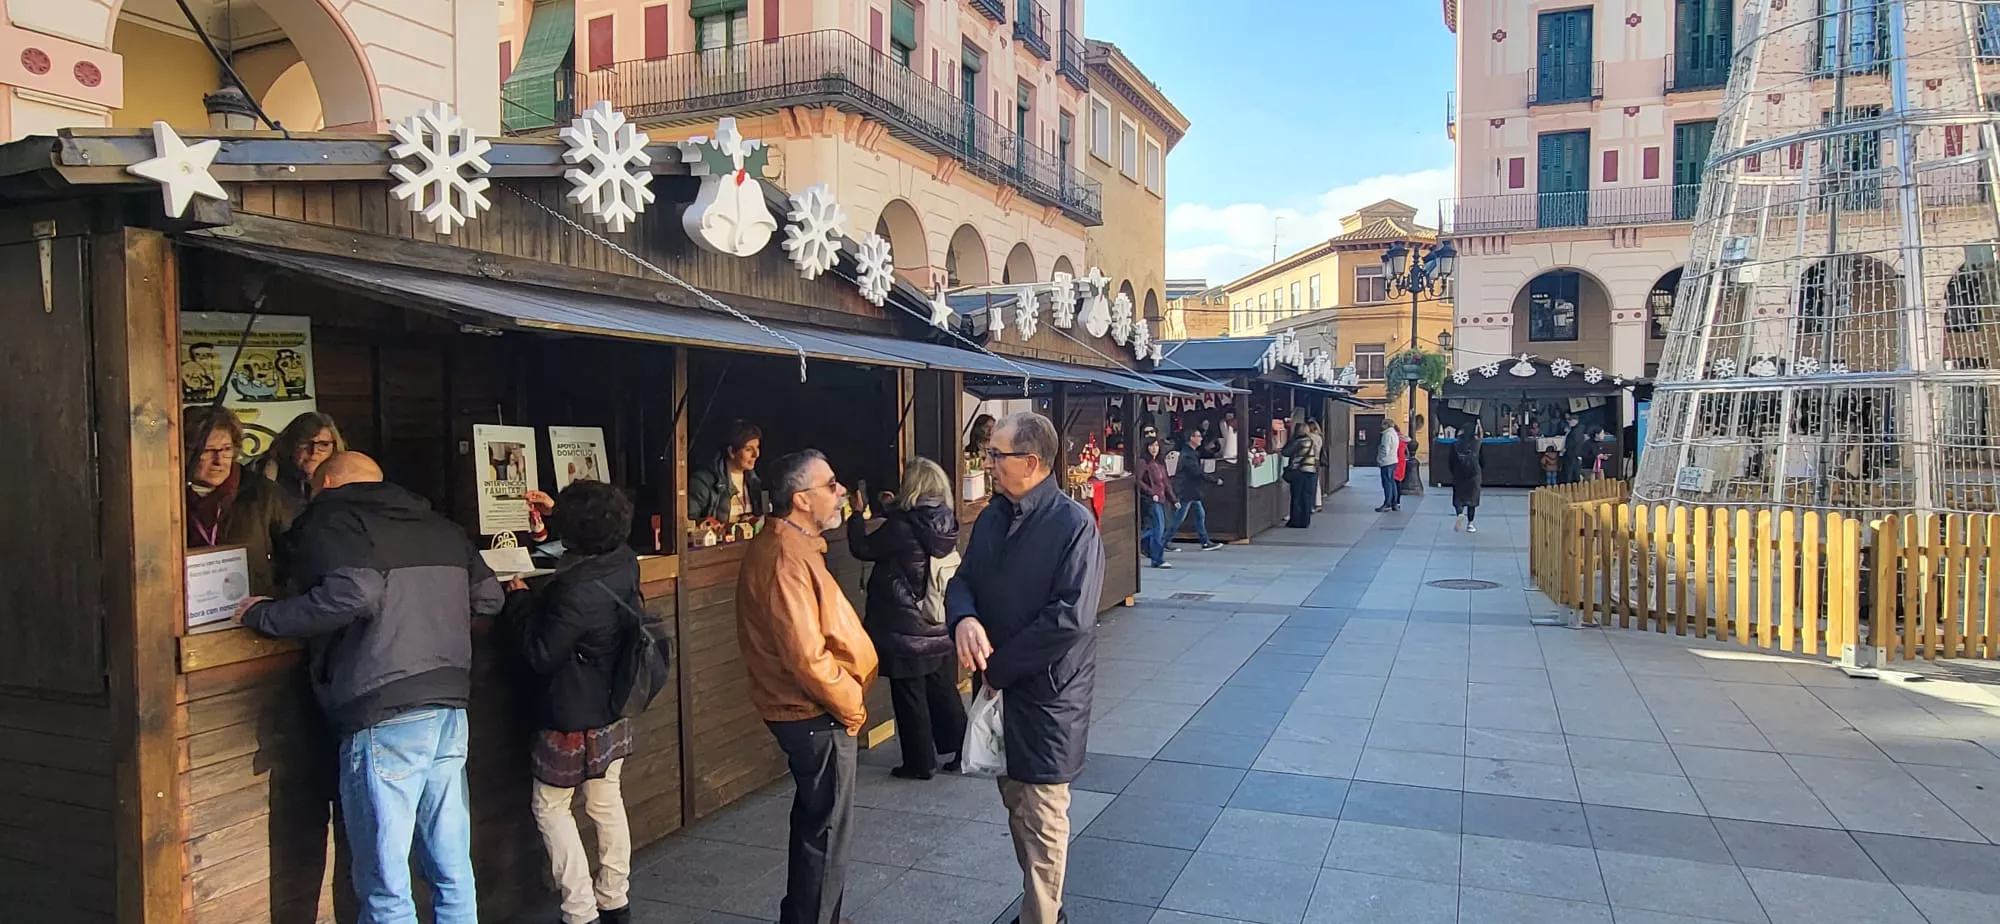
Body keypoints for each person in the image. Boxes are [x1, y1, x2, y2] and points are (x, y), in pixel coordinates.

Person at [236, 452, 502, 924]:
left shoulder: (333, 520)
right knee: (451, 861)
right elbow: (489, 596)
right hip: (448, 707)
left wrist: (263, 615)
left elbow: (353, 593)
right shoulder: (439, 525)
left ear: (329, 482)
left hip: (383, 708)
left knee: (385, 879)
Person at [948, 412, 1103, 924]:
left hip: (1050, 698)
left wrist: (998, 667)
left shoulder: (1073, 524)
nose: (988, 462)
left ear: (1031, 462)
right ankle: (1043, 911)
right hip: (1002, 694)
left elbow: (1070, 620)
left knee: (1042, 816)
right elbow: (962, 580)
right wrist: (964, 618)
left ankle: (1042, 919)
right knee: (1018, 807)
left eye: (996, 455)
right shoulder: (994, 515)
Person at [736, 450, 878, 924]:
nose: (840, 492)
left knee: (819, 824)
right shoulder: (783, 556)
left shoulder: (794, 546)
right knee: (827, 830)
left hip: (811, 708)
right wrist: (851, 703)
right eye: (831, 484)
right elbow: (807, 657)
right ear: (800, 499)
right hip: (814, 711)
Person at [505, 481, 642, 924]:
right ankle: (614, 897)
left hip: (569, 714)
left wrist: (520, 600)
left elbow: (541, 654)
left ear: (576, 530)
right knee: (605, 799)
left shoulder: (574, 591)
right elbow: (576, 554)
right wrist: (553, 524)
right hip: (612, 705)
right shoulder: (622, 560)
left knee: (551, 806)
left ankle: (580, 910)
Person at [846, 457, 965, 780]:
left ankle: (919, 761)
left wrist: (857, 515)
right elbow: (912, 527)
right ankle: (961, 748)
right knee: (940, 685)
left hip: (905, 621)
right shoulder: (944, 520)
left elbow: (864, 548)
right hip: (936, 616)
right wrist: (892, 508)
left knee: (909, 692)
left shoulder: (901, 527)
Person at [185, 405, 295, 596]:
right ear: (187, 451)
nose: (219, 460)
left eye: (226, 449)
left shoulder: (263, 495)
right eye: (208, 450)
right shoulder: (165, 497)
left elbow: (294, 556)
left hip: (251, 610)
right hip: (187, 610)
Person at [264, 410, 346, 509]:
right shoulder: (270, 479)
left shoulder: (346, 481)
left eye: (324, 445)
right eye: (305, 443)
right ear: (289, 444)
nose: (314, 451)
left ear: (335, 448)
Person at [689, 421, 766, 523]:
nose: (756, 454)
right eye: (748, 449)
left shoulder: (755, 482)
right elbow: (687, 522)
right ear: (731, 452)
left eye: (757, 447)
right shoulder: (704, 482)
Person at [1169, 429, 1224, 552]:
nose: (1201, 439)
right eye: (1198, 436)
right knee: (1179, 517)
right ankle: (1164, 540)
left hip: (1191, 491)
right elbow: (1196, 472)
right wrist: (1213, 480)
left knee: (1200, 515)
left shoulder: (1192, 452)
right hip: (1186, 490)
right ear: (1191, 438)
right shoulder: (1187, 454)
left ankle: (1204, 541)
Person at [1134, 436, 1176, 568]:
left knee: (1157, 528)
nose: (1154, 449)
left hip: (1161, 498)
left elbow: (1166, 483)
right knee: (1158, 528)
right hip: (1151, 500)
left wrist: (1173, 499)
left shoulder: (1160, 463)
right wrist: (1151, 493)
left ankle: (1140, 543)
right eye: (1151, 446)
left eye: (1156, 446)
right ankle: (1157, 559)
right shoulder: (1143, 463)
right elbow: (1138, 480)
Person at [1283, 420, 1321, 528]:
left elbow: (1286, 452)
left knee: (1297, 496)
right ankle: (1305, 520)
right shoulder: (1311, 440)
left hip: (1299, 471)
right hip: (1310, 470)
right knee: (1306, 496)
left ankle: (1295, 520)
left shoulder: (1299, 441)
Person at [1450, 423, 1484, 534]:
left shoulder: (1455, 445)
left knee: (1459, 499)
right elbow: (1483, 460)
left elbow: (1450, 462)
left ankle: (1460, 513)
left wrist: (1454, 473)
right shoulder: (1477, 444)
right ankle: (1470, 524)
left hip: (1459, 476)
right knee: (1472, 500)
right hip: (1474, 476)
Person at [1376, 420, 1403, 512]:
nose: (1381, 426)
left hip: (1387, 462)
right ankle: (1394, 503)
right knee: (1392, 482)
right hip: (1394, 460)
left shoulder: (1386, 435)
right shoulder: (1394, 434)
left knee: (1387, 483)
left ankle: (1387, 503)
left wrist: (1380, 459)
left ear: (1386, 425)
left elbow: (1385, 449)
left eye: (1383, 424)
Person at [1561, 414, 1589, 484]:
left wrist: (1566, 448)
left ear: (1575, 421)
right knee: (1575, 471)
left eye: (1570, 421)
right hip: (1575, 454)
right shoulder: (1577, 429)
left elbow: (1573, 442)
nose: (1569, 423)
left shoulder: (1576, 430)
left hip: (1572, 453)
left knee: (1570, 472)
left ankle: (1570, 486)